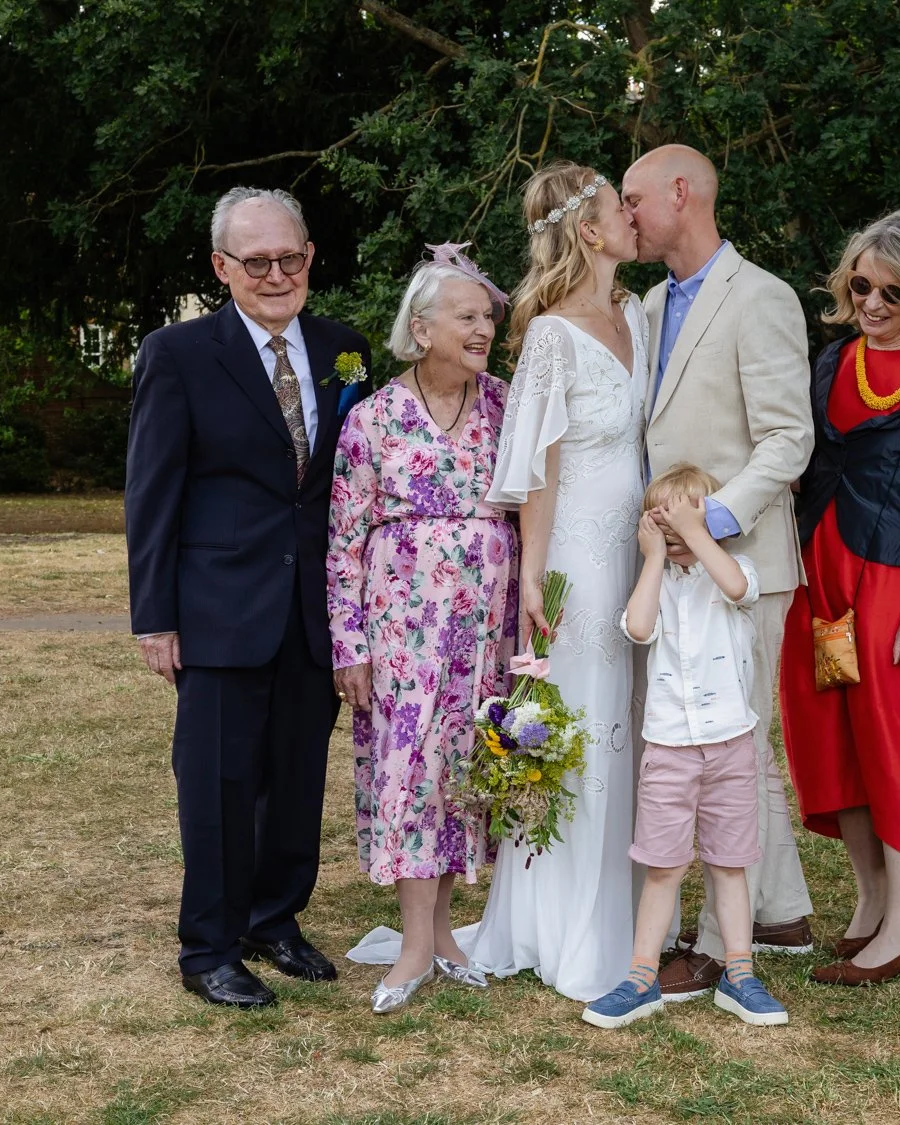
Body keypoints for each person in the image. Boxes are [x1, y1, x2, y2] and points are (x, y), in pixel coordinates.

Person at [125, 187, 372, 1007]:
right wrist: (156, 617)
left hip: (314, 608)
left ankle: (275, 918)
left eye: (289, 257)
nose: (276, 274)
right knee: (219, 784)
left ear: (310, 257)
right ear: (221, 267)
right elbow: (151, 492)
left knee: (297, 778)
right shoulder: (177, 353)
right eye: (256, 260)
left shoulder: (344, 350)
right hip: (217, 609)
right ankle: (209, 947)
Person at [620, 144, 815, 1001]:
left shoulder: (761, 296)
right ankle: (783, 911)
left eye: (633, 199)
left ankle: (712, 946)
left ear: (681, 193)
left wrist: (711, 529)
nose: (624, 215)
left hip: (744, 567)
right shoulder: (648, 305)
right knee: (738, 745)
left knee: (734, 743)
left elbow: (788, 438)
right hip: (667, 567)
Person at [457, 161, 647, 1002]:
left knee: (633, 721)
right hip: (577, 554)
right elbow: (537, 467)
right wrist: (533, 576)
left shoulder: (637, 313)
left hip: (641, 551)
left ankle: (635, 913)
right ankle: (564, 923)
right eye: (618, 208)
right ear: (589, 231)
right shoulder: (550, 336)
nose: (634, 216)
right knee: (582, 723)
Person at [779, 210, 900, 987]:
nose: (871, 301)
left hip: (895, 583)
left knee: (899, 746)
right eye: (861, 284)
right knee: (836, 737)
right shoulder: (833, 358)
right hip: (822, 576)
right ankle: (871, 905)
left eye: (891, 291)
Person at [328, 247, 517, 1013]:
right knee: (410, 772)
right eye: (467, 316)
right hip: (402, 629)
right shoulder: (371, 418)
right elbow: (343, 542)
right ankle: (413, 945)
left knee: (462, 771)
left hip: (484, 629)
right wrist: (350, 644)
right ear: (422, 327)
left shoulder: (506, 405)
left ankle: (442, 934)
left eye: (488, 317)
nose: (484, 329)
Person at [582, 465, 789, 1029]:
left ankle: (739, 975)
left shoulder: (734, 571)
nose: (674, 529)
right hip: (670, 748)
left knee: (730, 864)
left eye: (686, 517)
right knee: (663, 866)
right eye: (663, 520)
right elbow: (639, 628)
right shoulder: (658, 583)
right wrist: (652, 557)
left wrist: (697, 532)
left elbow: (739, 588)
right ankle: (640, 978)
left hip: (730, 744)